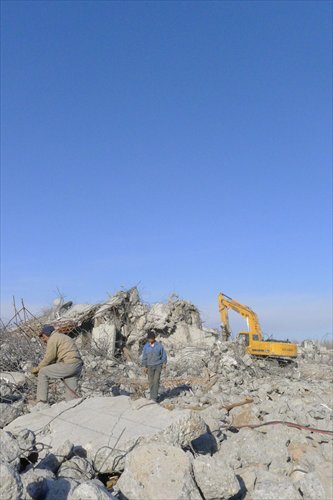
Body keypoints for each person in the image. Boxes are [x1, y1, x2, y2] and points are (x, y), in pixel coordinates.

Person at [31, 324, 83, 403]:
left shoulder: (53, 339)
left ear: (47, 334)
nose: (44, 340)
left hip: (68, 365)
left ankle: (41, 402)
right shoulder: (64, 337)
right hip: (77, 366)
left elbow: (49, 357)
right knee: (71, 398)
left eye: (43, 337)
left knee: (43, 372)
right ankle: (74, 407)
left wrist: (38, 369)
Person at [141, 332, 167, 402]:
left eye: (151, 338)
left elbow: (163, 355)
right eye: (149, 339)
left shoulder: (159, 346)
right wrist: (144, 366)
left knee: (156, 381)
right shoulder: (146, 346)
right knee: (151, 382)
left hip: (158, 365)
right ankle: (152, 396)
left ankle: (154, 398)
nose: (150, 340)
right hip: (149, 366)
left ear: (154, 338)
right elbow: (144, 357)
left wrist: (164, 363)